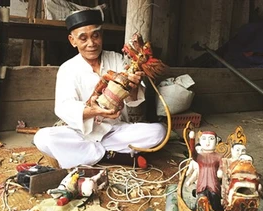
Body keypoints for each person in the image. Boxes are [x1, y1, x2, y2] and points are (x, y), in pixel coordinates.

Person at [33, 9, 166, 169]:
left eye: (95, 35)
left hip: (115, 132)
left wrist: (134, 86)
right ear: (72, 40)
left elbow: (132, 101)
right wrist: (95, 111)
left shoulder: (116, 59)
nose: (91, 43)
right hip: (80, 134)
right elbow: (64, 107)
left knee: (159, 132)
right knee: (43, 138)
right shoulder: (67, 69)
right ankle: (108, 156)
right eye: (83, 38)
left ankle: (89, 156)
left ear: (101, 35)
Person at [188, 130, 223, 211]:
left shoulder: (218, 156)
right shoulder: (199, 156)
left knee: (215, 199)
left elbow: (222, 165)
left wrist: (221, 170)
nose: (207, 142)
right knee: (201, 199)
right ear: (200, 141)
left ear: (216, 141)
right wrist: (192, 139)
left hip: (213, 183)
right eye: (204, 139)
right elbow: (192, 152)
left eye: (211, 139)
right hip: (201, 182)